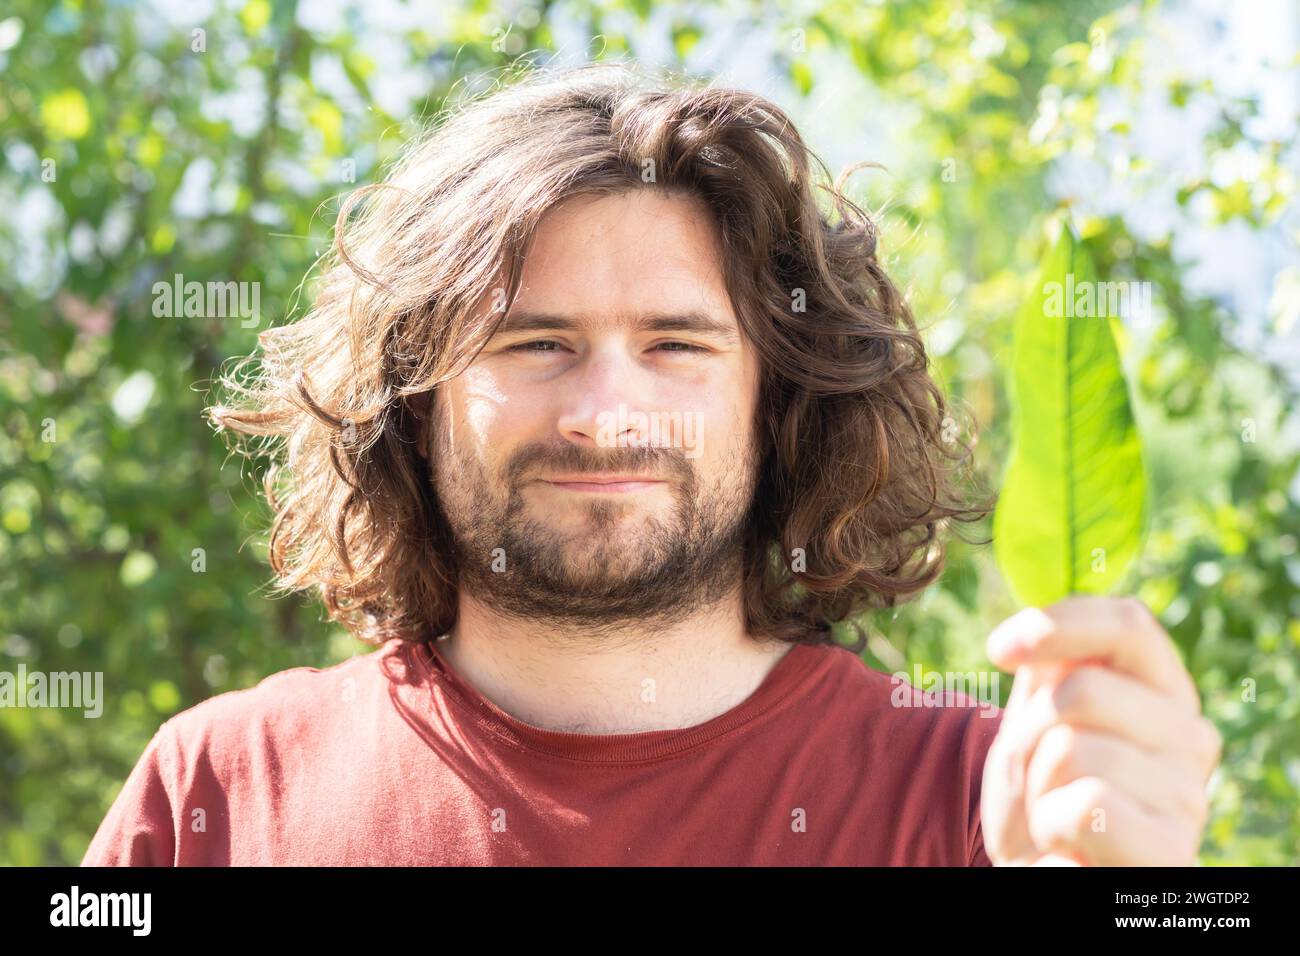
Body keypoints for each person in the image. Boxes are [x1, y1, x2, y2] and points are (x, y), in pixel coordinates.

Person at [82, 62, 1219, 867]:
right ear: (414, 399)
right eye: (535, 342)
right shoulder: (219, 788)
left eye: (676, 344)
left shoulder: (1000, 800)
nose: (603, 411)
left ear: (778, 397)